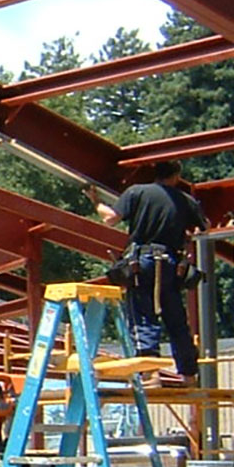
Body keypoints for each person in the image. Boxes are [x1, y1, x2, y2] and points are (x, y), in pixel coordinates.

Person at [89, 160, 208, 384]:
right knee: (176, 321)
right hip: (172, 264)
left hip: (143, 262)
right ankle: (189, 375)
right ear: (176, 175)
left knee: (143, 316)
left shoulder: (137, 192)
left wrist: (96, 201)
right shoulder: (186, 201)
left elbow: (110, 218)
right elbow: (203, 229)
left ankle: (149, 373)